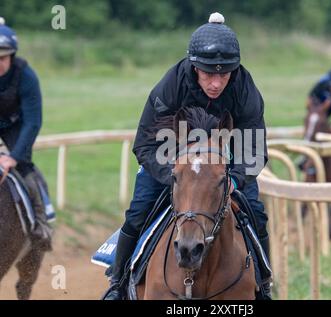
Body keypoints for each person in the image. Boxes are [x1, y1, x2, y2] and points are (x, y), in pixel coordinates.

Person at [104, 12, 270, 300]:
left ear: (235, 69)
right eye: (208, 73)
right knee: (137, 213)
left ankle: (264, 286)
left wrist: (234, 180)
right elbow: (144, 145)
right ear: (194, 68)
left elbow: (254, 151)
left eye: (224, 74)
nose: (216, 83)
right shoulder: (171, 86)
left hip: (224, 169)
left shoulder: (245, 90)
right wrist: (175, 175)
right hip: (173, 165)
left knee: (256, 213)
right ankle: (117, 286)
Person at [0, 17, 52, 250]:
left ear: (11, 56)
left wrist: (13, 156)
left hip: (16, 127)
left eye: (2, 58)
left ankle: (40, 224)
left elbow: (33, 121)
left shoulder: (26, 76)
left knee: (24, 168)